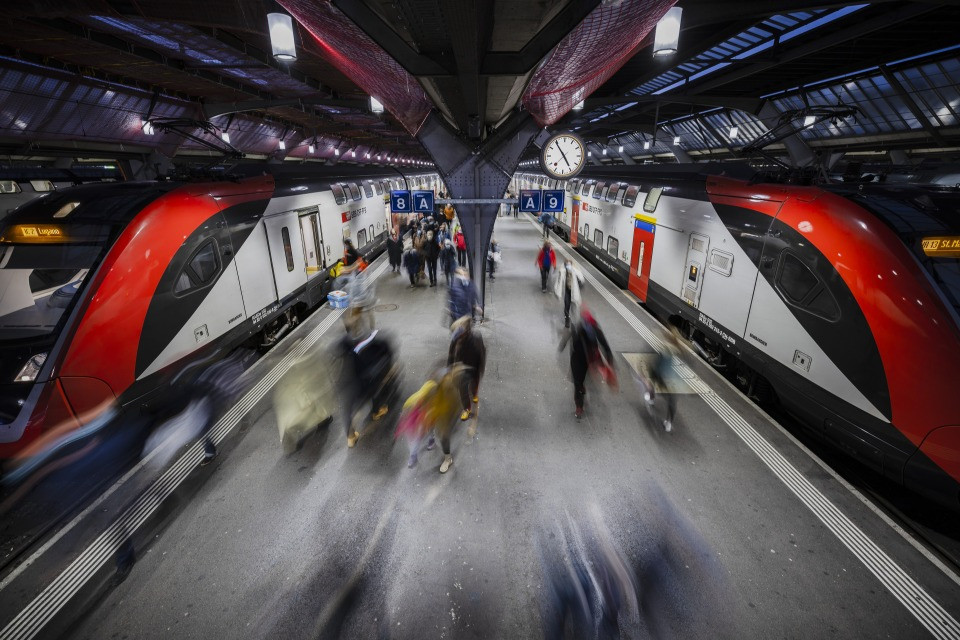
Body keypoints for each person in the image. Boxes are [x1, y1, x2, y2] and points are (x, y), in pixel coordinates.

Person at [335, 317, 398, 448]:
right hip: (363, 381)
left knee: (347, 410)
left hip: (346, 383)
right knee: (375, 391)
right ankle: (377, 412)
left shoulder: (343, 342)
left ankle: (351, 437)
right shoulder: (369, 340)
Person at [395, 364, 469, 473]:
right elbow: (420, 399)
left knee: (441, 437)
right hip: (430, 415)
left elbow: (452, 410)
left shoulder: (451, 393)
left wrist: (444, 424)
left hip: (440, 416)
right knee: (424, 433)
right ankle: (427, 445)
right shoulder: (432, 386)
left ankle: (445, 457)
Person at [558, 308, 614, 420]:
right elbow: (568, 336)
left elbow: (605, 346)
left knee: (581, 379)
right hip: (577, 359)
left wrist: (610, 361)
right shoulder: (579, 328)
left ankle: (581, 389)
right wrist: (562, 345)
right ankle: (579, 406)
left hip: (588, 359)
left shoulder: (594, 329)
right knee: (577, 382)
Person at [447, 316, 486, 432]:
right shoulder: (455, 339)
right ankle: (467, 409)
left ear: (466, 333)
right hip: (462, 368)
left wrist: (481, 369)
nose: (457, 339)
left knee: (474, 385)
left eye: (459, 336)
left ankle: (474, 394)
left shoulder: (476, 339)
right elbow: (451, 354)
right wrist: (449, 368)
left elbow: (482, 354)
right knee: (463, 389)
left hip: (474, 367)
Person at [640, 326, 682, 432]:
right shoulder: (676, 349)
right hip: (671, 377)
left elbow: (657, 362)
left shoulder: (665, 347)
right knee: (672, 400)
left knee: (652, 381)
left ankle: (651, 398)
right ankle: (669, 422)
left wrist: (645, 373)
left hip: (660, 374)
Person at [553, 259, 584, 328]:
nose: (568, 266)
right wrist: (556, 290)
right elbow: (558, 282)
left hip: (574, 292)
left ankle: (575, 320)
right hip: (567, 291)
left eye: (569, 264)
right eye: (567, 264)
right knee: (567, 305)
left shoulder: (575, 271)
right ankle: (567, 319)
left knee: (575, 306)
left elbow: (581, 279)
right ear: (565, 265)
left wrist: (580, 283)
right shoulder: (562, 272)